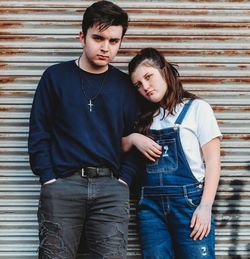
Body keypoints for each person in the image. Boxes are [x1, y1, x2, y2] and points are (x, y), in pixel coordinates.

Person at [28, 1, 139, 258]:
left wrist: (124, 181)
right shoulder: (55, 77)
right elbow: (39, 131)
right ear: (82, 37)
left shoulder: (124, 86)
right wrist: (48, 179)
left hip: (111, 190)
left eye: (114, 41)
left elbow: (138, 135)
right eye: (98, 37)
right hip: (62, 186)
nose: (105, 47)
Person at [122, 48, 222, 258]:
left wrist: (205, 207)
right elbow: (117, 148)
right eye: (138, 85)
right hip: (150, 208)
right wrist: (133, 138)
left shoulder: (197, 109)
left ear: (164, 71)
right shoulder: (142, 117)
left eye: (148, 77)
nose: (145, 88)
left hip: (189, 205)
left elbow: (213, 162)